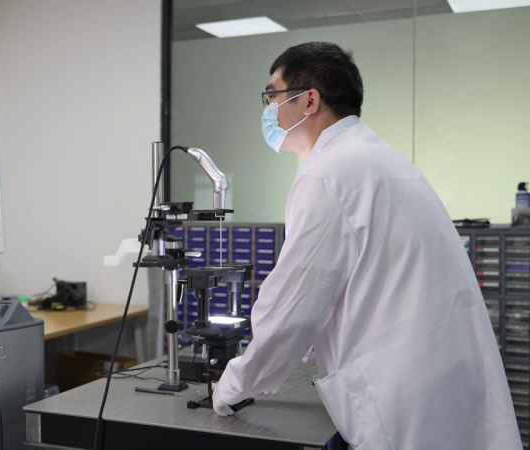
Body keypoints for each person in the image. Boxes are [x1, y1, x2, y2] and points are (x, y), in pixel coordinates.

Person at [212, 42, 521, 450]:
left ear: (309, 101)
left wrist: (230, 387)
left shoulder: (327, 175)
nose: (268, 109)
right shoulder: (381, 159)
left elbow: (292, 310)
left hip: (403, 401)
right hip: (445, 382)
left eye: (272, 95)